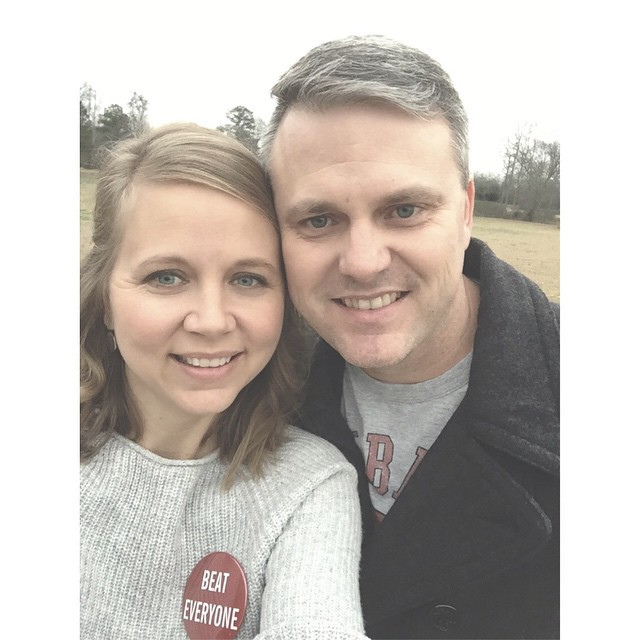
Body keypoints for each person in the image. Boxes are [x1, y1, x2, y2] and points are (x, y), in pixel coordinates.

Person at [260, 35, 560, 639]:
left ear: (467, 209)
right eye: (319, 220)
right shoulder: (245, 383)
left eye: (404, 210)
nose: (364, 262)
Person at [80, 123, 369, 640]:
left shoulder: (308, 489)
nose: (211, 321)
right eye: (166, 277)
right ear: (103, 298)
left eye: (247, 279)